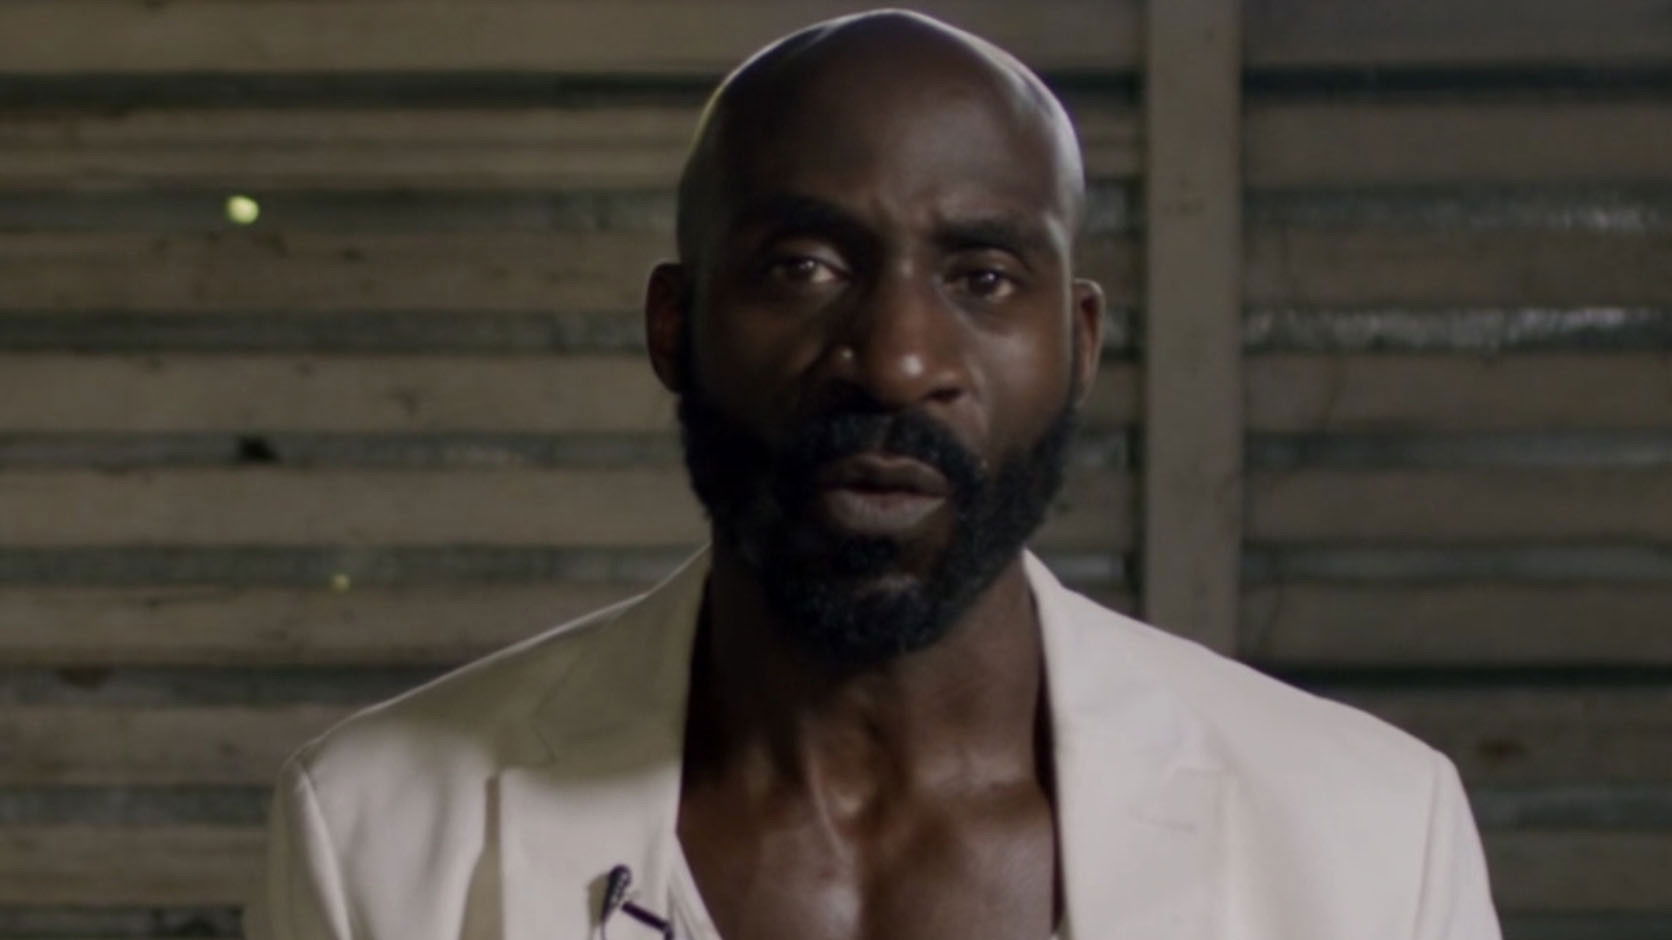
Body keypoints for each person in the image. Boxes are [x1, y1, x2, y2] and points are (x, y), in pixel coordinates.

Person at [248, 10, 1502, 940]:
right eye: (803, 266)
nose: (898, 359)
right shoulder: (375, 831)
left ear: (1079, 344)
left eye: (983, 277)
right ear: (674, 325)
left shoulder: (1370, 839)